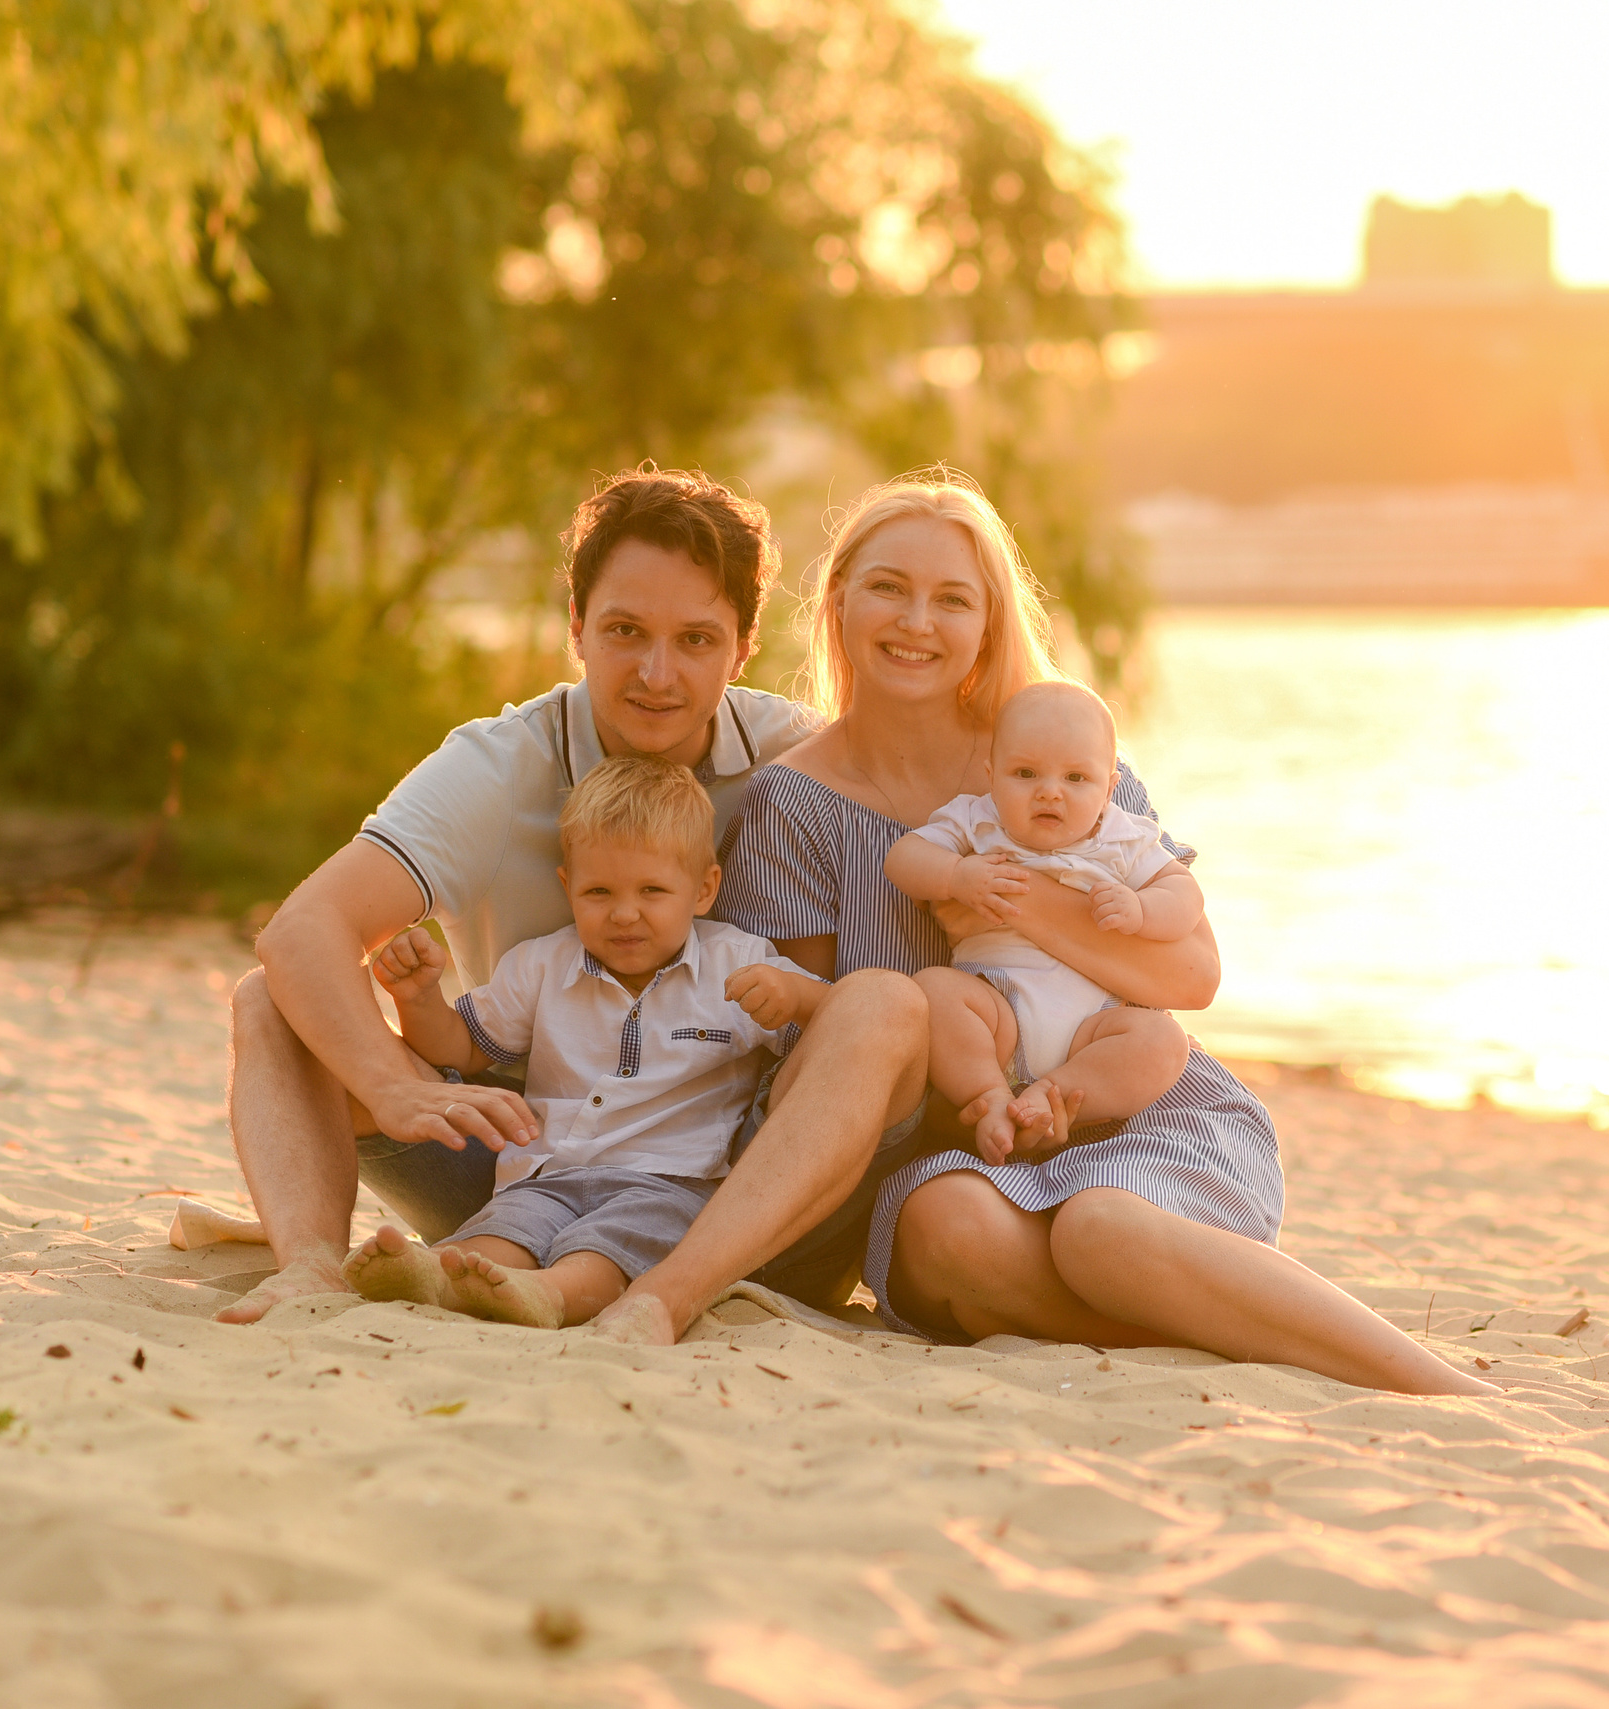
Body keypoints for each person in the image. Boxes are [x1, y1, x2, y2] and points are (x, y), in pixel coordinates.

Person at [716, 471, 1498, 1395]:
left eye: (953, 599)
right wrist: (988, 1094)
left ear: (989, 623)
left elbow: (1193, 975)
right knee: (943, 1231)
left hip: (1133, 1098)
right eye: (889, 587)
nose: (917, 621)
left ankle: (1420, 1378)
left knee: (1101, 1226)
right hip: (973, 1143)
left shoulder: (1069, 761)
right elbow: (815, 1053)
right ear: (840, 597)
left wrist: (1020, 906)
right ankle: (1219, 1318)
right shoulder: (792, 803)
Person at [217, 467, 930, 1340]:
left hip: (742, 1176)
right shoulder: (499, 766)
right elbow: (302, 931)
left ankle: (667, 1291)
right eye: (626, 631)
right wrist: (390, 1085)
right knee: (271, 1000)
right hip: (531, 1166)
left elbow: (977, 807)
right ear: (577, 627)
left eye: (696, 640)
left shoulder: (801, 757)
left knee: (887, 1004)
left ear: (743, 648)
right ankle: (310, 1269)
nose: (657, 674)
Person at [341, 756, 831, 1329]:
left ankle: (548, 1295)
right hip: (549, 1174)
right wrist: (418, 999)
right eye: (599, 891)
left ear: (703, 889)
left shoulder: (737, 962)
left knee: (608, 1250)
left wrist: (797, 996)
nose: (625, 914)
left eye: (652, 890)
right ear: (567, 886)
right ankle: (445, 1280)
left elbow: (842, 1030)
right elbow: (460, 1049)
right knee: (505, 1228)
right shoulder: (543, 963)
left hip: (671, 1185)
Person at [885, 680, 1197, 1164]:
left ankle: (1052, 1096)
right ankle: (990, 1095)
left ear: (1109, 788)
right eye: (1026, 773)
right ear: (992, 776)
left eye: (1076, 778)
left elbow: (1185, 895)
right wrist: (957, 875)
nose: (1050, 792)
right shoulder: (977, 820)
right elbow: (903, 859)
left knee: (1164, 1041)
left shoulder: (1123, 838)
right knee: (934, 991)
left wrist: (1142, 909)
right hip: (995, 1012)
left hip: (1090, 1030)